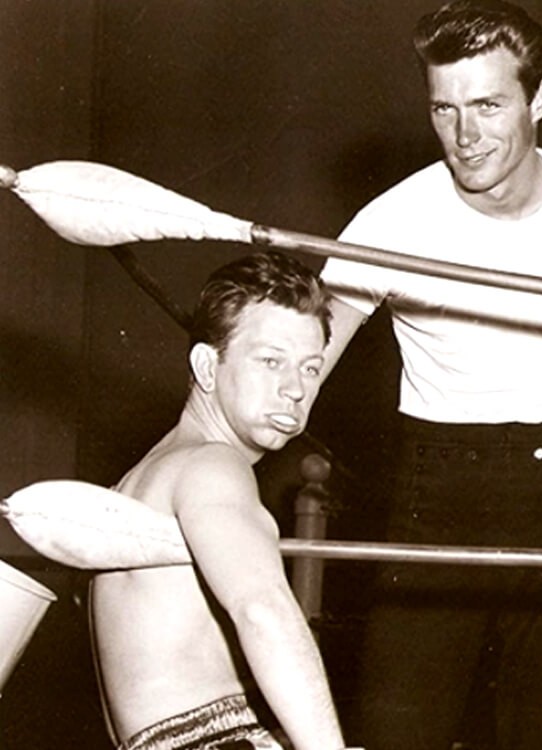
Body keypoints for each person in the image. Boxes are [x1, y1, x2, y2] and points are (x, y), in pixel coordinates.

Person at [316, 2, 542, 748]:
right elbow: (303, 363)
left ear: (539, 100)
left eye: (487, 105)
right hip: (438, 485)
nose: (464, 136)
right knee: (396, 732)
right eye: (443, 109)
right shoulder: (389, 222)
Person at [90, 251, 354, 750]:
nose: (296, 389)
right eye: (270, 361)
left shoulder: (146, 476)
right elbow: (264, 611)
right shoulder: (211, 465)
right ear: (207, 366)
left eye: (310, 367)